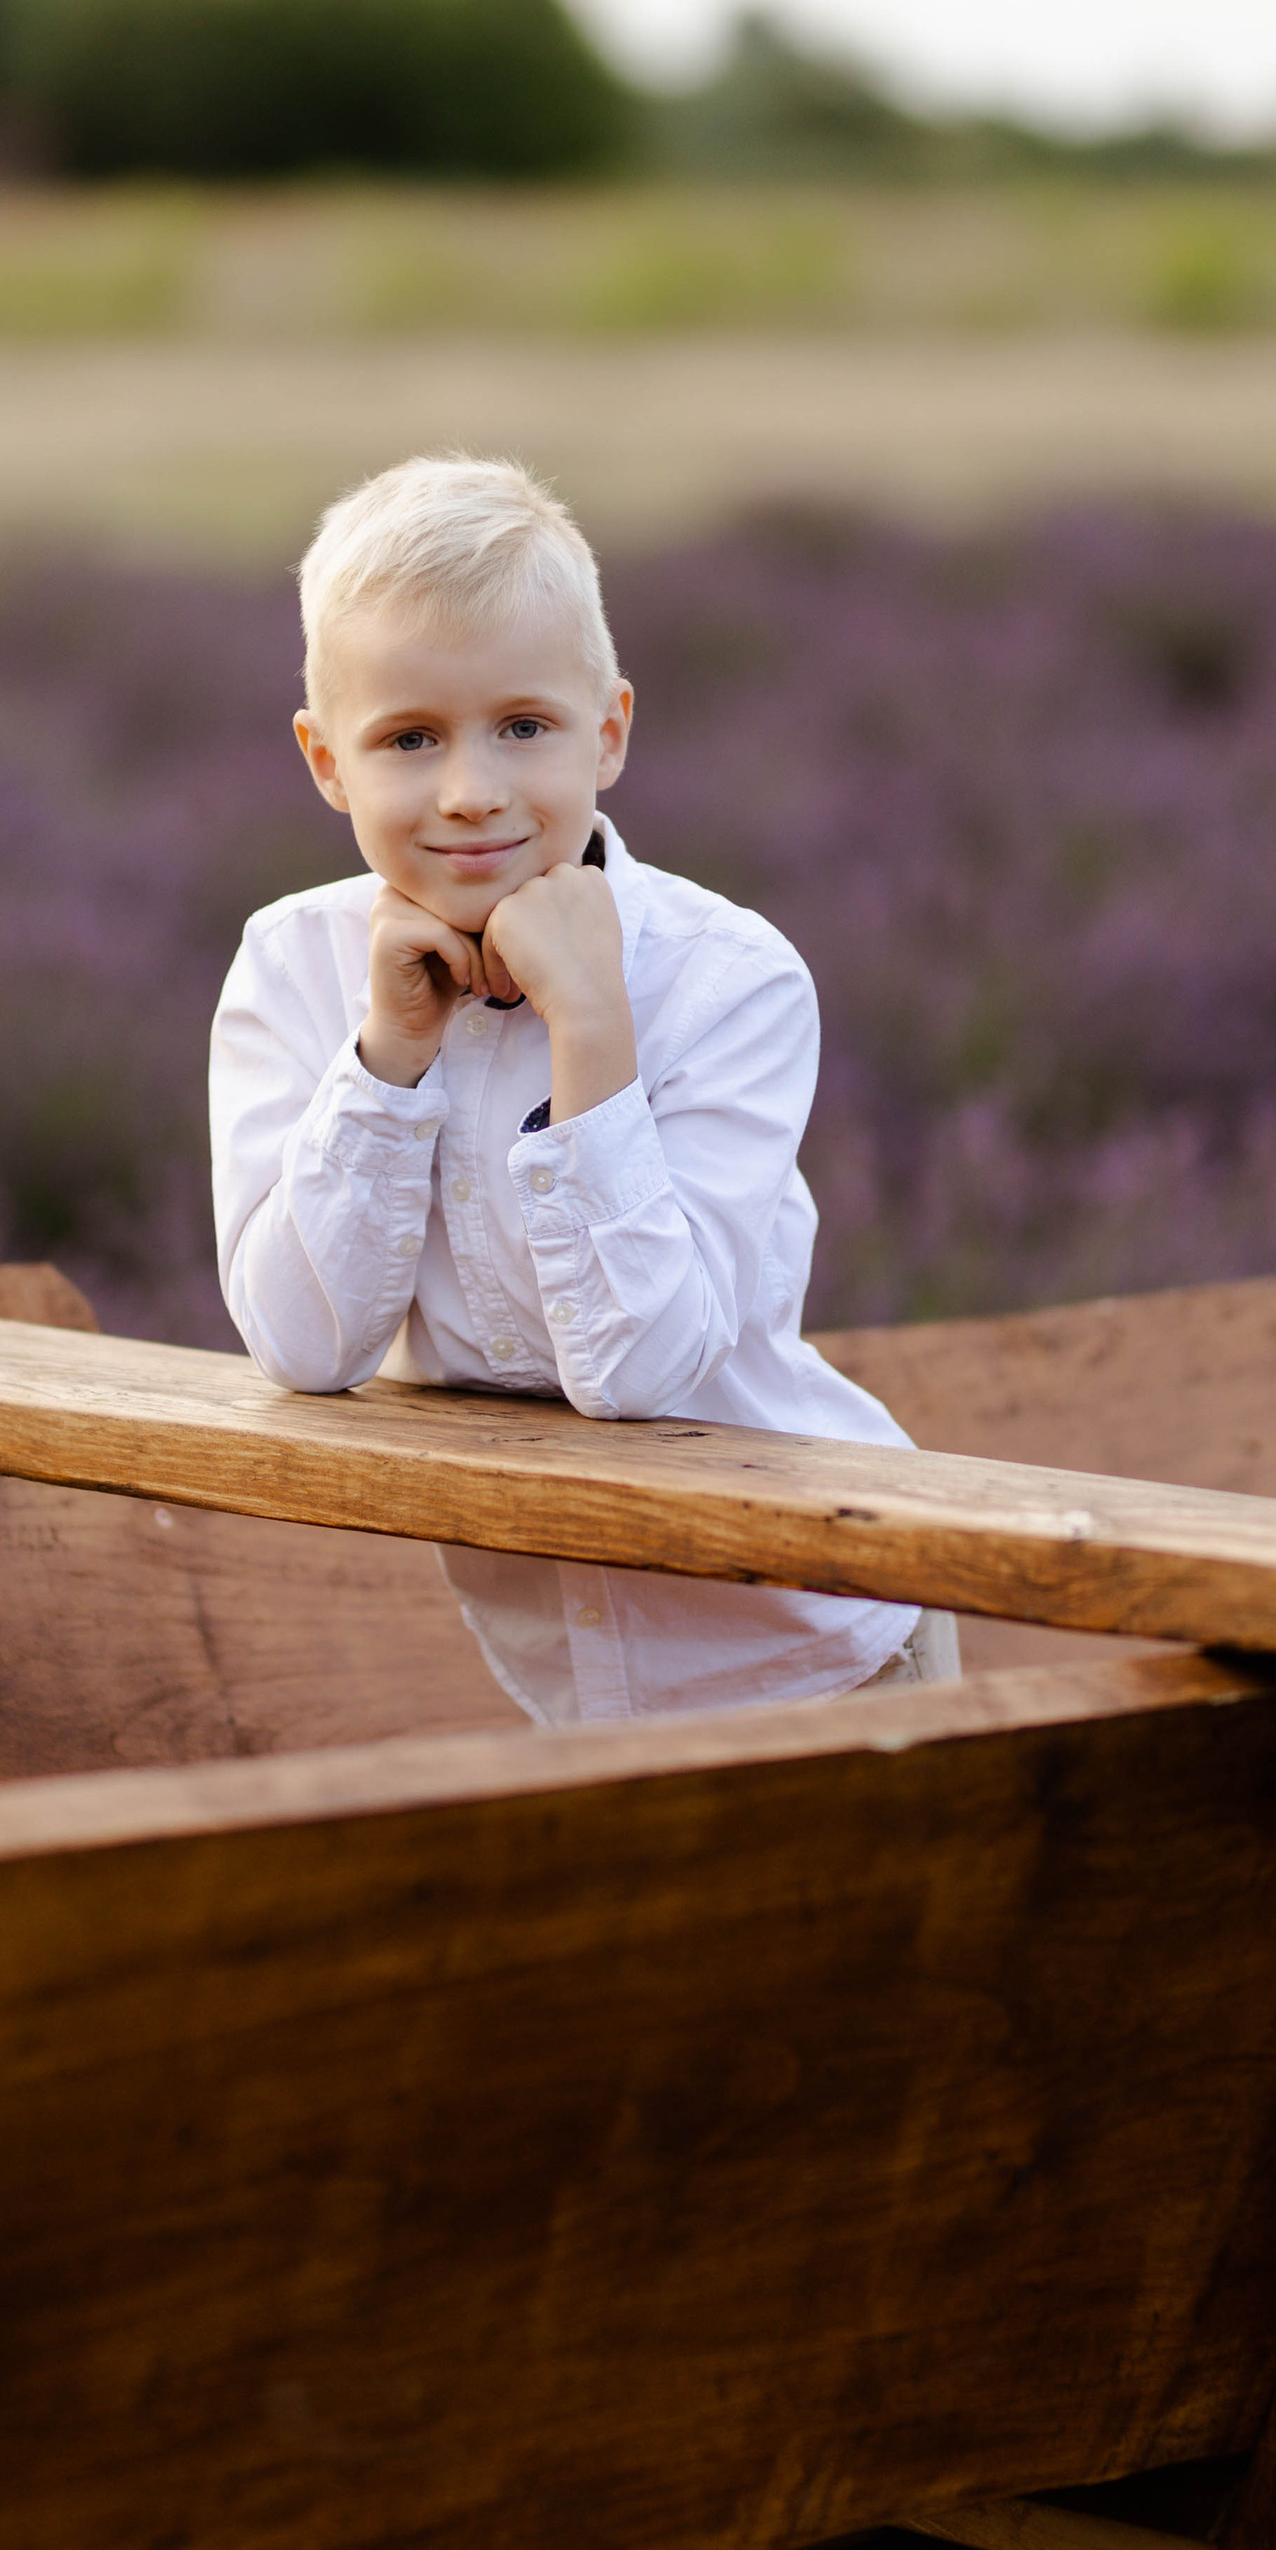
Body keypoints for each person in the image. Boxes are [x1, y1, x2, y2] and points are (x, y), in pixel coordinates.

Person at [209, 452, 958, 1723]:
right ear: (326, 762)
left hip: (821, 1654)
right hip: (560, 1690)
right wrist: (387, 1060)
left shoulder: (728, 982)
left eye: (523, 726)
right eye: (407, 739)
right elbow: (300, 1343)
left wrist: (591, 1026)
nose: (470, 791)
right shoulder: (293, 970)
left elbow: (646, 1369)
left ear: (606, 731)